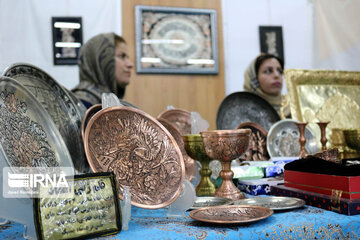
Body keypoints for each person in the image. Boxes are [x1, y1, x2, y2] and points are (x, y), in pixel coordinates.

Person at [72, 32, 135, 108]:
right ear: (99, 61)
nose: (130, 64)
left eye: (127, 57)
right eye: (122, 56)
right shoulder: (81, 105)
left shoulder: (108, 101)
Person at [243, 53, 290, 119]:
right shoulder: (242, 110)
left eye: (279, 71)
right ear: (255, 78)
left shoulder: (293, 108)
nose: (277, 75)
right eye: (268, 71)